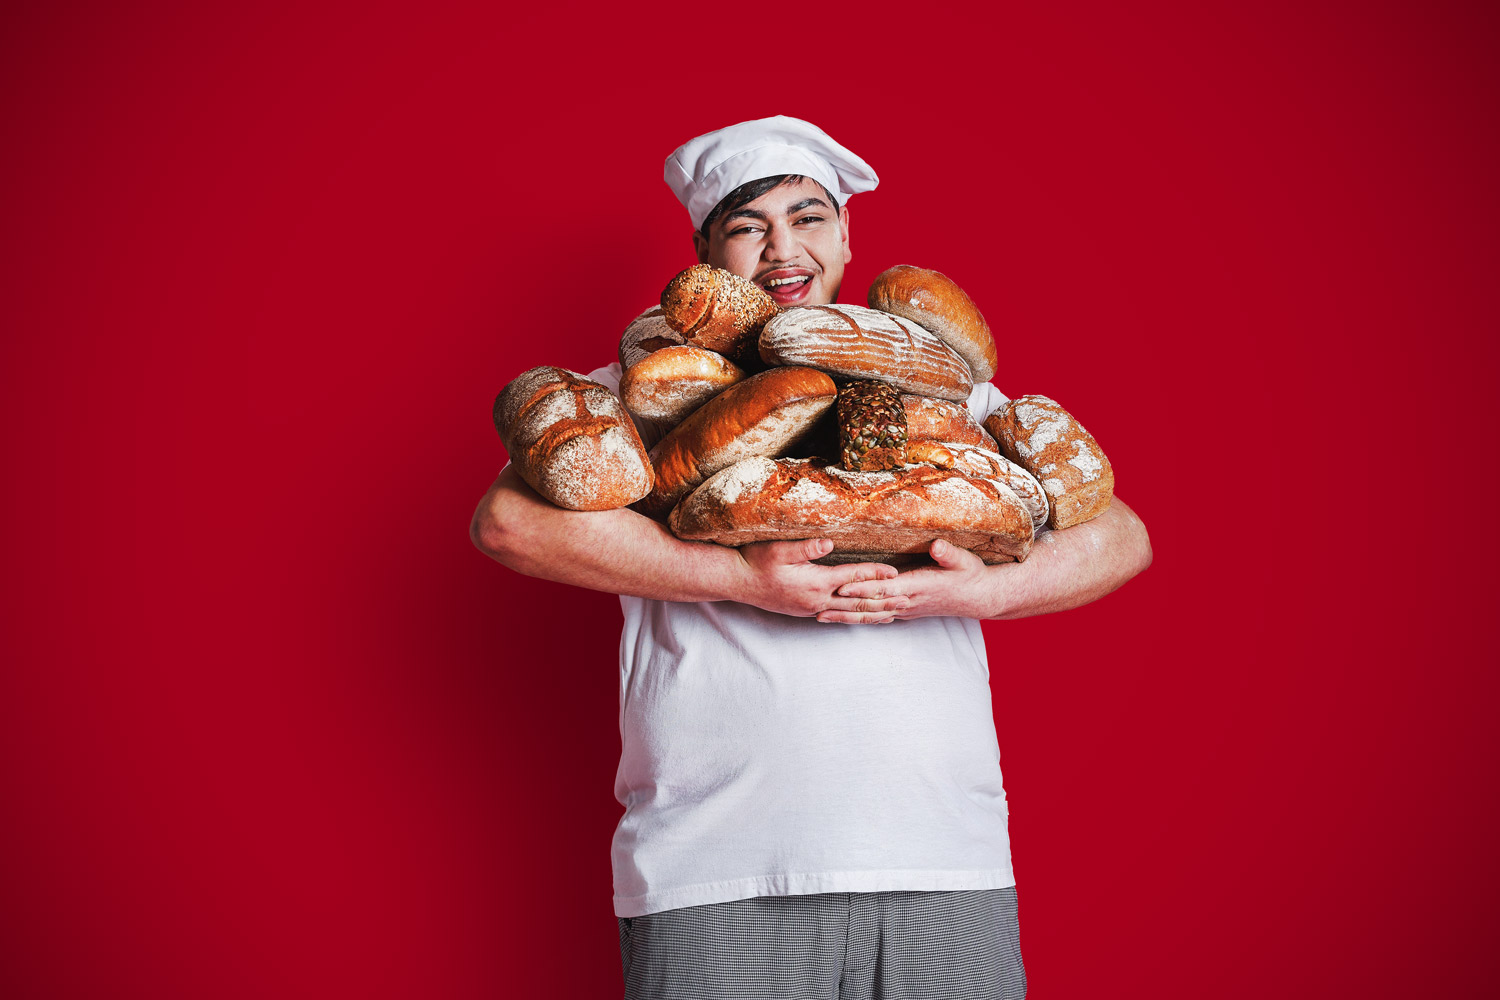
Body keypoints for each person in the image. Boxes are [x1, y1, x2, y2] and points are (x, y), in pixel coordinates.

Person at [471, 116, 1152, 1000]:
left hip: (943, 854)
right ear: (705, 252)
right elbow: (508, 525)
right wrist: (738, 580)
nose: (783, 249)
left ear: (846, 235)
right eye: (747, 226)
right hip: (714, 863)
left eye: (808, 218)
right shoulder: (641, 388)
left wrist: (977, 593)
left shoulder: (938, 384)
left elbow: (1122, 536)